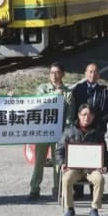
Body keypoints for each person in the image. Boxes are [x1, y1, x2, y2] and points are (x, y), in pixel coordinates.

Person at [28, 62, 74, 200]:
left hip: (58, 133)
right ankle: (34, 188)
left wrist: (64, 134)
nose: (54, 76)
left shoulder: (68, 93)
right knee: (39, 161)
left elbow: (69, 117)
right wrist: (55, 94)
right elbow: (39, 103)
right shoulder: (42, 88)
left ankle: (57, 189)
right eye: (51, 72)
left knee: (57, 163)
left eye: (57, 72)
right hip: (43, 131)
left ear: (63, 74)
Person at [57, 104, 108, 216]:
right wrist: (62, 163)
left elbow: (104, 153)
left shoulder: (98, 132)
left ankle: (94, 209)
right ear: (79, 115)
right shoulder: (69, 131)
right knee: (66, 179)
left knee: (100, 179)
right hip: (74, 168)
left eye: (90, 115)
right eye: (84, 114)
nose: (87, 117)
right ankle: (69, 209)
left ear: (93, 117)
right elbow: (59, 150)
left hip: (91, 169)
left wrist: (104, 166)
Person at [71, 63, 108, 137]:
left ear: (99, 75)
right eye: (90, 72)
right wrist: (80, 122)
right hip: (79, 128)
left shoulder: (104, 92)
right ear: (85, 74)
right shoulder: (78, 89)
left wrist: (95, 124)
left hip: (97, 129)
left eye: (95, 72)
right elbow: (73, 109)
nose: (93, 75)